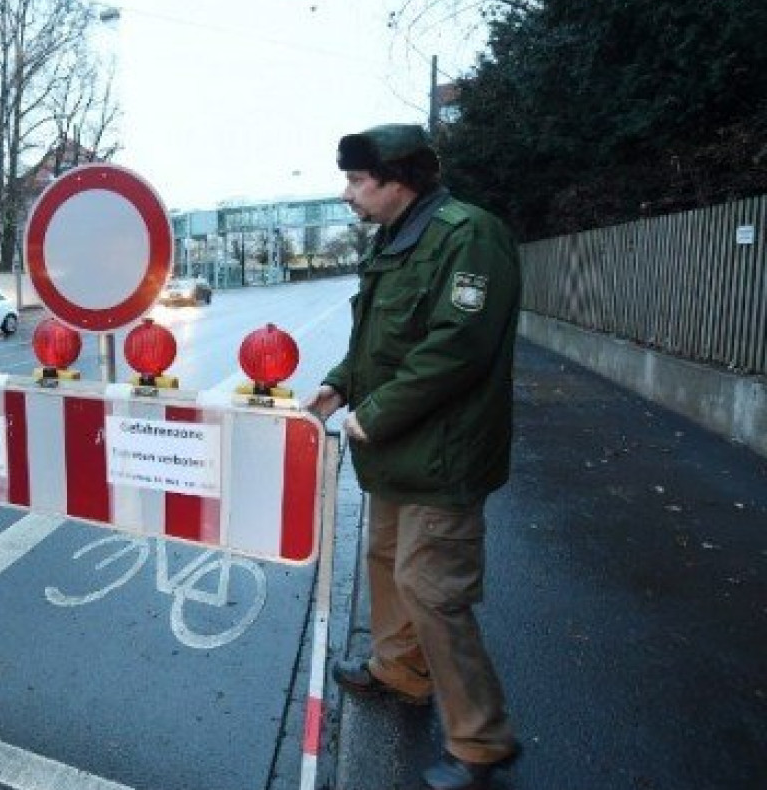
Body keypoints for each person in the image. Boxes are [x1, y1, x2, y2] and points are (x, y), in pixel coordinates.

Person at [305, 124, 521, 790]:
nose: (348, 195)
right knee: (386, 565)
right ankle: (399, 670)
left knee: (434, 591)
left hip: (444, 454)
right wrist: (339, 383)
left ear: (399, 181)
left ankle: (481, 741)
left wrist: (376, 412)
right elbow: (374, 337)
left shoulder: (468, 236)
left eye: (357, 182)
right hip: (398, 455)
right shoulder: (395, 240)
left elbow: (458, 346)